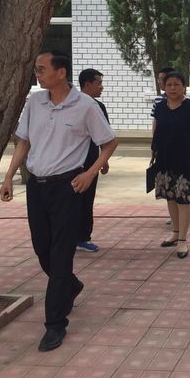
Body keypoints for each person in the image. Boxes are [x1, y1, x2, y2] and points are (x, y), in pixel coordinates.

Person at [0, 51, 118, 352]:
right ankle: (71, 285)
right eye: (36, 69)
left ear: (61, 72)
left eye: (42, 69)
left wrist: (90, 173)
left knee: (61, 253)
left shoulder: (86, 106)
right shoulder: (35, 102)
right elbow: (24, 141)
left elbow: (109, 142)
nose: (37, 74)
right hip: (37, 187)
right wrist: (9, 175)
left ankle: (55, 323)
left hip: (68, 188)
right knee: (42, 248)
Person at [151, 71, 190, 258]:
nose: (173, 88)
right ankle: (175, 233)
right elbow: (156, 129)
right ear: (163, 87)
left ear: (184, 87)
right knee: (170, 197)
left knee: (183, 199)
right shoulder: (160, 107)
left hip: (185, 160)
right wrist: (154, 149)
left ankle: (183, 240)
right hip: (164, 159)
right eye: (169, 84)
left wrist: (188, 148)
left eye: (177, 84)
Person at [77, 68, 110, 252]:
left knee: (87, 199)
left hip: (91, 161)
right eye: (99, 83)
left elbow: (106, 138)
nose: (101, 87)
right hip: (71, 161)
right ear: (87, 84)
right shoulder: (71, 105)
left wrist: (103, 160)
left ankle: (83, 237)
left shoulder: (99, 107)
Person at [152, 67, 175, 226]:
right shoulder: (158, 101)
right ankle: (173, 215)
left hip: (178, 150)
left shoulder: (187, 104)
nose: (159, 82)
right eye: (159, 79)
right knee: (166, 182)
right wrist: (154, 144)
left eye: (162, 79)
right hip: (162, 148)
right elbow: (156, 122)